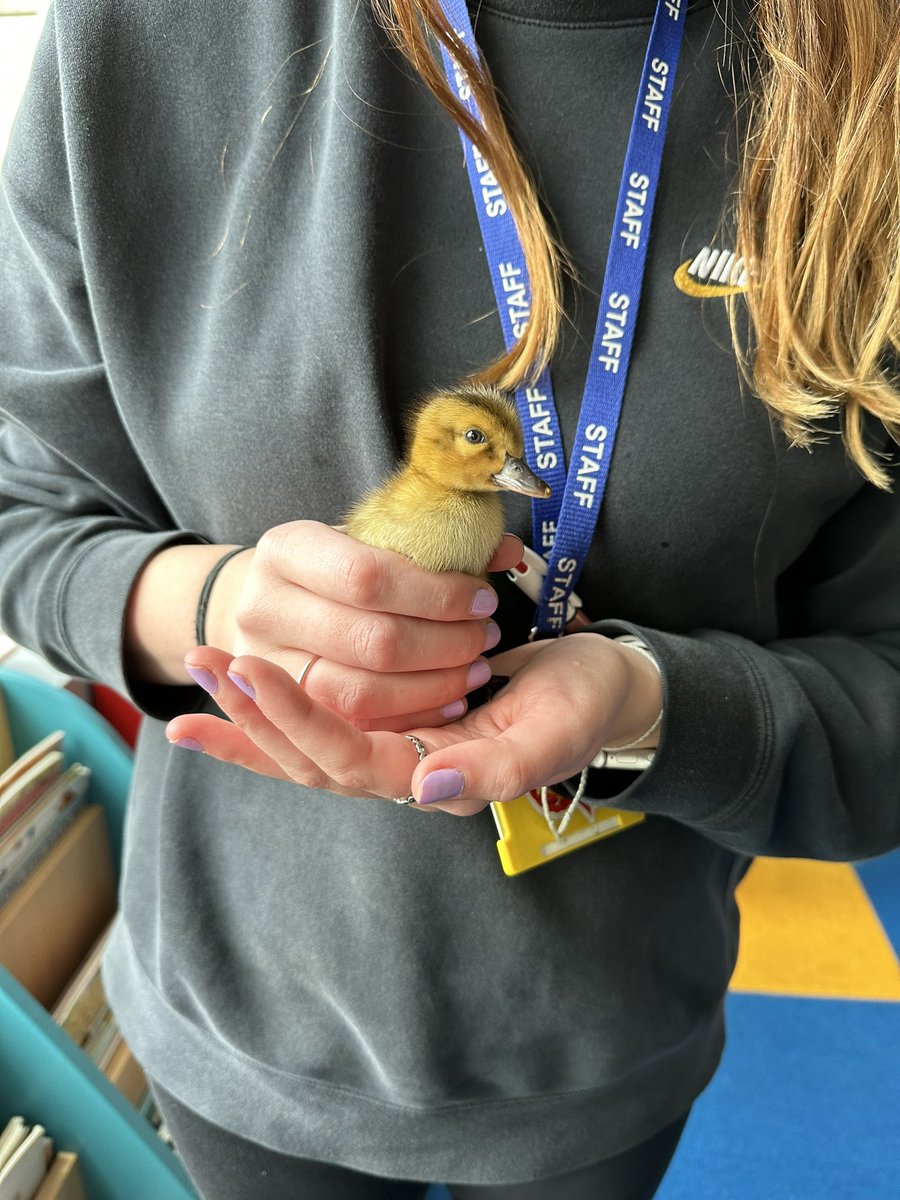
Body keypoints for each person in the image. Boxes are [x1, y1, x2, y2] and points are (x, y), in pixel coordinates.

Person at [1, 0, 898, 1196]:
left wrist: (643, 707)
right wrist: (211, 605)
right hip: (240, 1022)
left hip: (603, 1048)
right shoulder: (140, 33)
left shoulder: (866, 103)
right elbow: (26, 511)